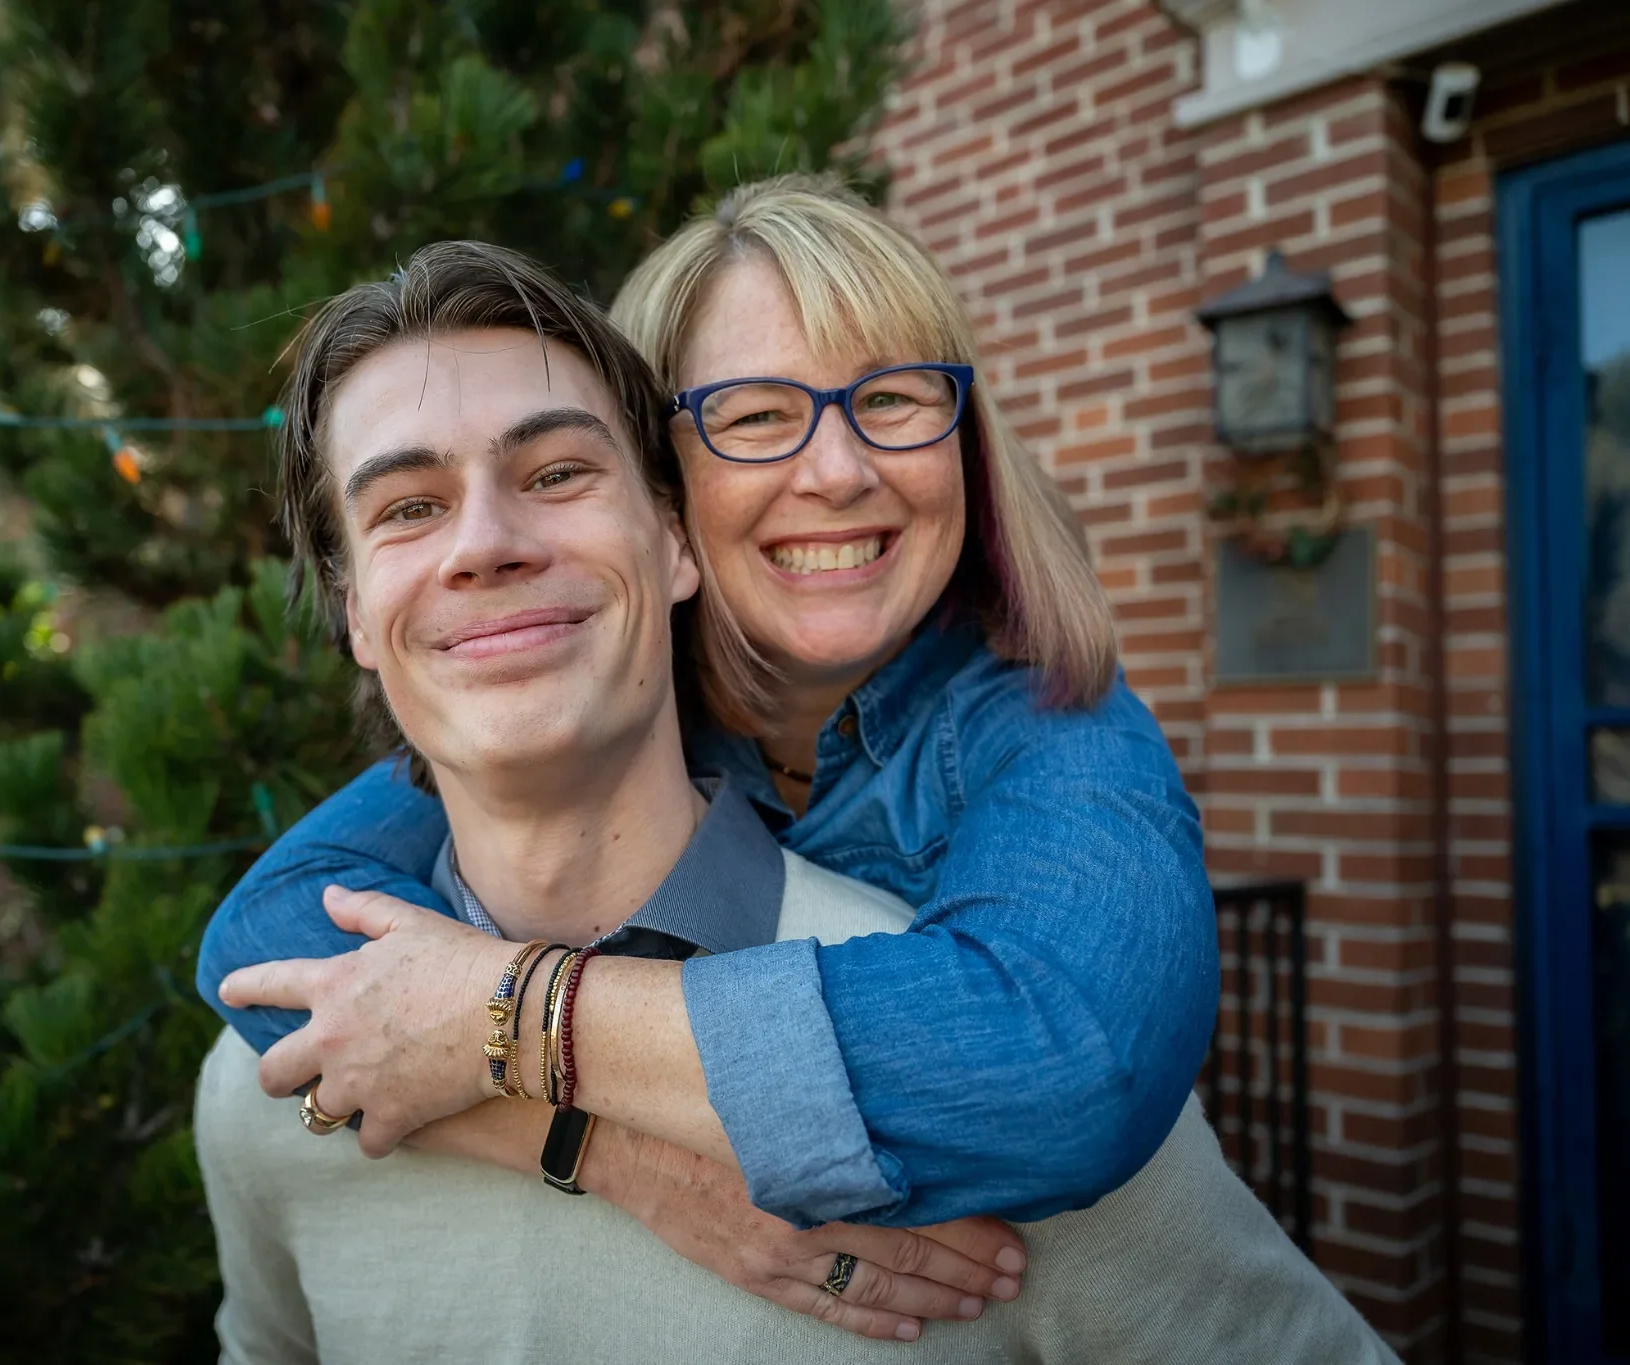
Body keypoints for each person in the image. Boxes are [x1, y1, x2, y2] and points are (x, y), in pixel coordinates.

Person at [193, 237, 1395, 1364]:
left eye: (891, 399)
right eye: (756, 417)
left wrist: (514, 1020)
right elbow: (256, 932)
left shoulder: (1029, 764)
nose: (836, 467)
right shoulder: (314, 1053)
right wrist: (602, 1146)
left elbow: (1067, 1068)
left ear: (663, 540)